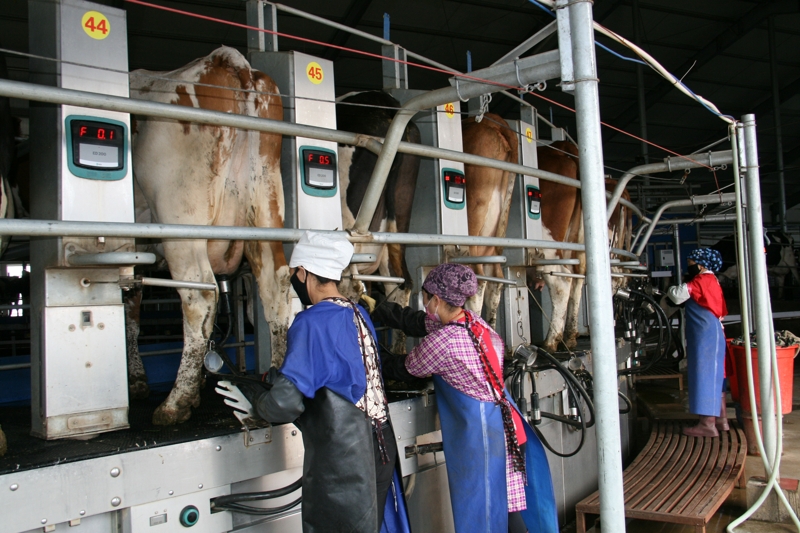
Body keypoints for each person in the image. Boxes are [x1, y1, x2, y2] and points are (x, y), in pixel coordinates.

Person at [223, 231, 400, 533]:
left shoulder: (312, 321)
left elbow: (283, 404)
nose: (293, 279)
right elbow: (340, 373)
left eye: (294, 273)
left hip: (345, 457)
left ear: (303, 273)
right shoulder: (358, 313)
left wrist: (257, 401)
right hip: (381, 445)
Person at [373, 263, 558, 533]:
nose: (423, 302)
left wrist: (369, 354)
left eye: (424, 297)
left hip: (484, 438)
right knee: (505, 511)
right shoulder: (474, 321)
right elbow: (418, 322)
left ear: (436, 299)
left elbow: (406, 368)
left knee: (485, 515)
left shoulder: (444, 341)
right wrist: (379, 308)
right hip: (509, 428)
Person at [667, 248, 728, 438]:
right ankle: (721, 420)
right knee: (716, 375)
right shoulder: (713, 280)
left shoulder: (701, 280)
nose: (689, 266)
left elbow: (677, 295)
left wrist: (668, 288)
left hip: (705, 334)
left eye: (691, 263)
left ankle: (707, 425)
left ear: (701, 265)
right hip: (713, 331)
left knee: (704, 375)